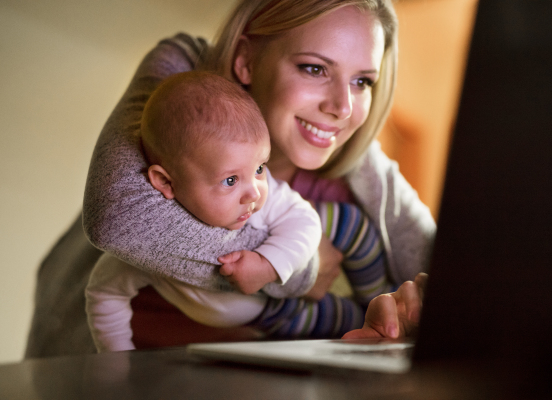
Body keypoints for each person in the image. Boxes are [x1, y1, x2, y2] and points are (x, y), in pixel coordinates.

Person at [25, 0, 436, 358]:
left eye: (363, 81)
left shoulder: (351, 185)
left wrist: (404, 321)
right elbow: (118, 219)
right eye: (314, 68)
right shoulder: (181, 96)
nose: (343, 107)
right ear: (245, 60)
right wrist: (297, 267)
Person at [86, 70, 394, 352]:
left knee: (351, 225)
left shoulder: (262, 194)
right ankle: (375, 321)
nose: (254, 192)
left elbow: (306, 222)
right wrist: (116, 363)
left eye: (260, 167)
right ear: (166, 182)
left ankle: (380, 296)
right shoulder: (148, 244)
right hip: (274, 313)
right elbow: (104, 294)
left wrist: (268, 265)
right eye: (230, 180)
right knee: (345, 322)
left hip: (287, 254)